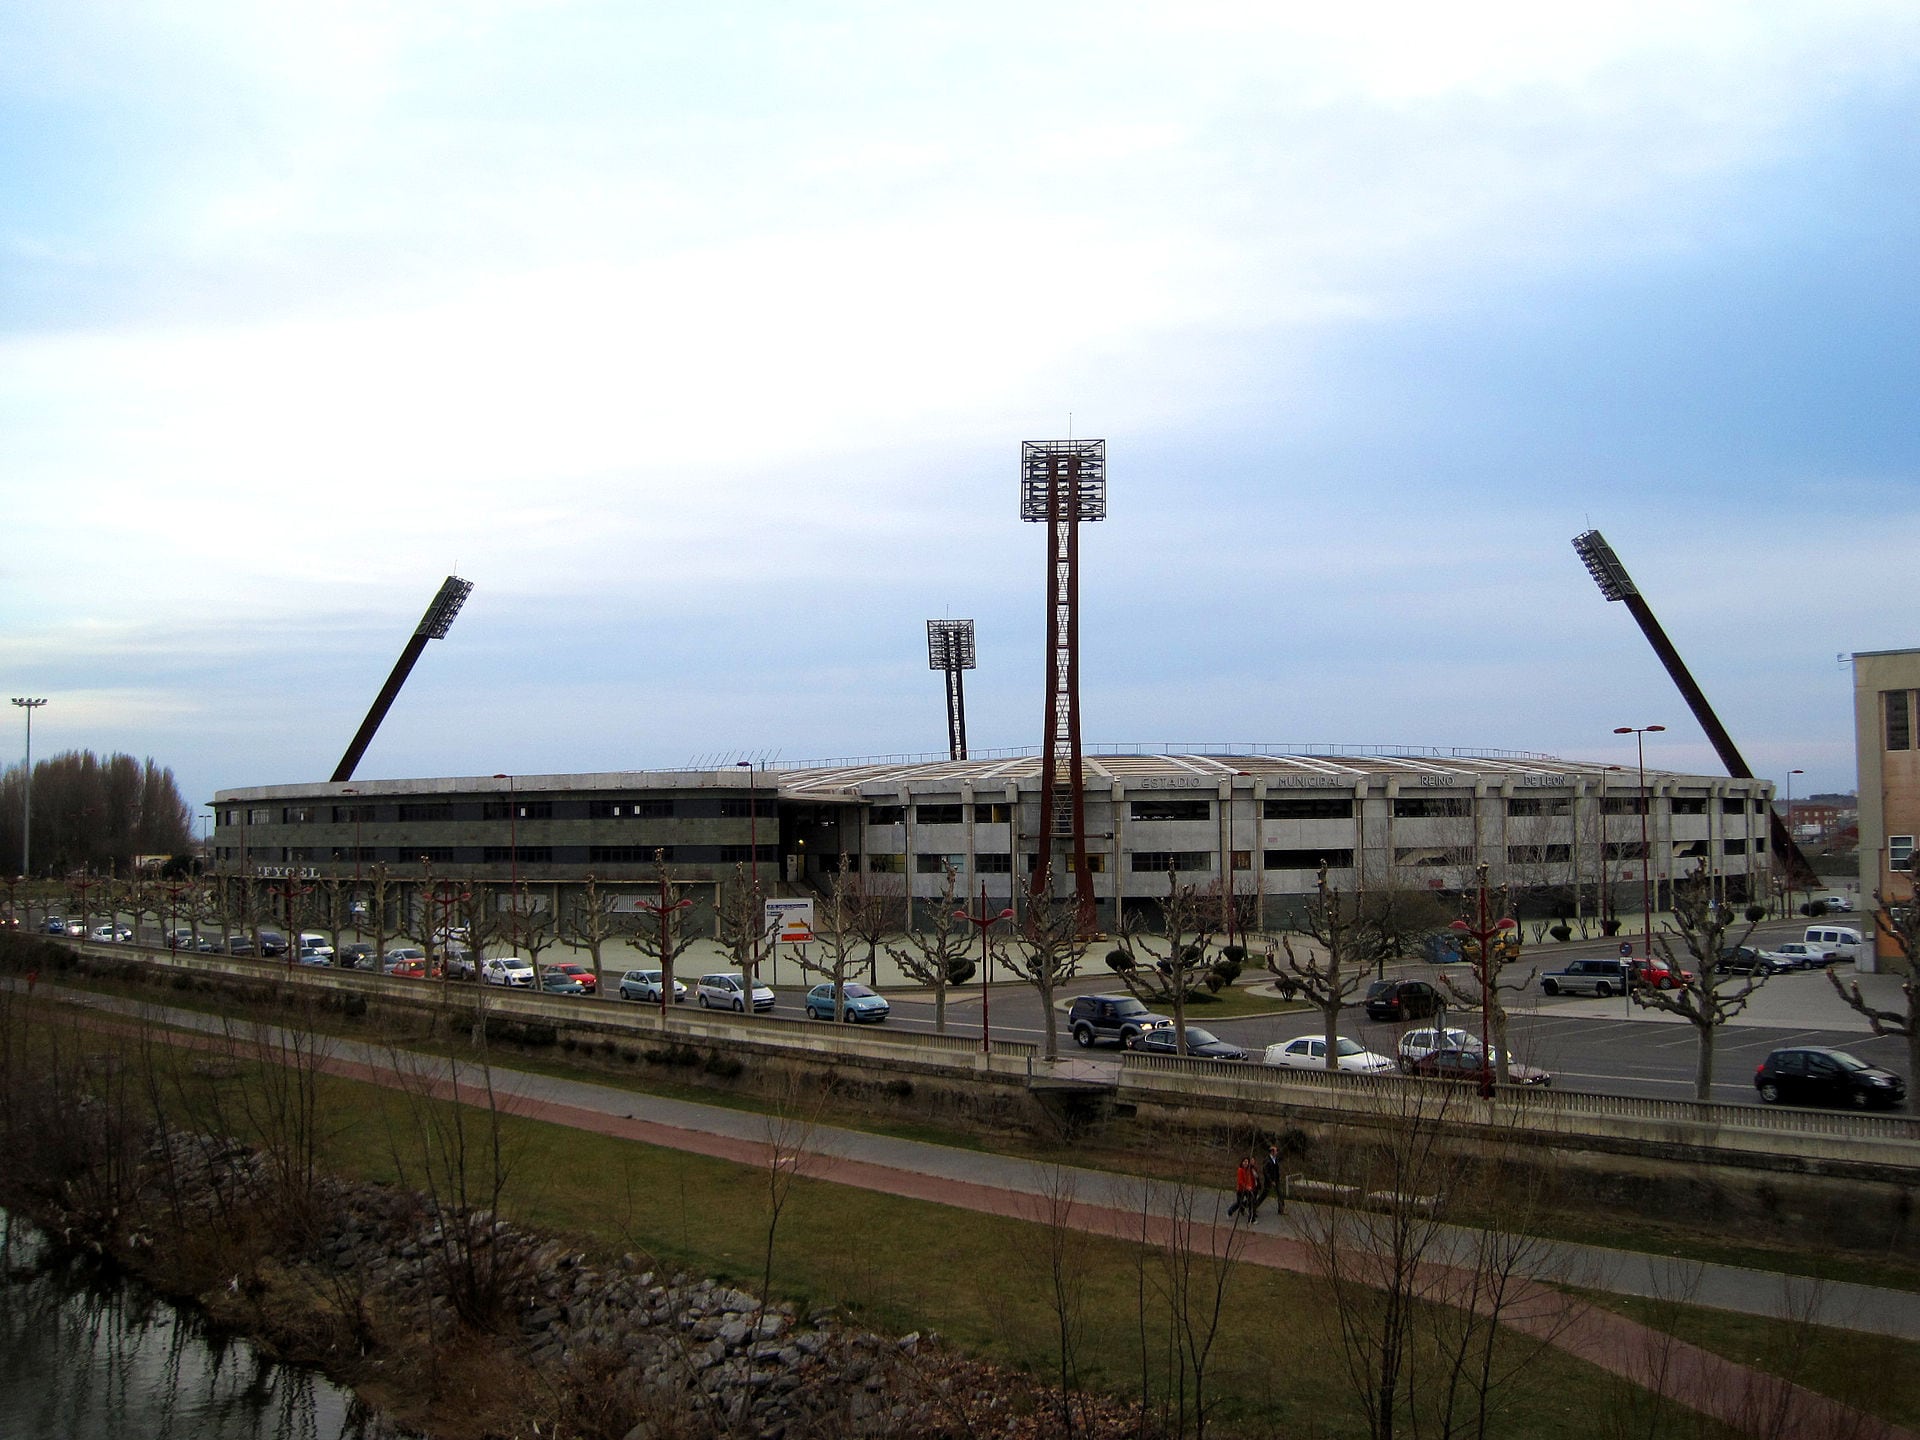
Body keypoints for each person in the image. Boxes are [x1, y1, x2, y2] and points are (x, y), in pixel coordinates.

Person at [1250, 1140, 1285, 1218]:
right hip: (1269, 1181)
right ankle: (1254, 1207)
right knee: (1264, 1195)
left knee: (1280, 1193)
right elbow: (1266, 1172)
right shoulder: (1267, 1160)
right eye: (1276, 1151)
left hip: (1276, 1179)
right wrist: (1271, 1181)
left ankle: (1281, 1209)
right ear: (1272, 1152)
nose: (1277, 1152)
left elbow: (1281, 1159)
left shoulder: (1275, 1159)